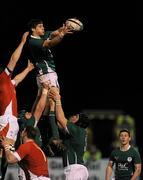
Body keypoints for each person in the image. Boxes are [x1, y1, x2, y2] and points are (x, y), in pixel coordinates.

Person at [0, 32, 34, 180]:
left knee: (5, 152)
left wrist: (27, 69)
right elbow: (14, 59)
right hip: (10, 122)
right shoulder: (2, 79)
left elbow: (17, 80)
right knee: (5, 152)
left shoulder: (8, 83)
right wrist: (22, 42)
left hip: (8, 121)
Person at [26, 18, 74, 114]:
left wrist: (66, 27)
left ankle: (31, 123)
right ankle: (46, 124)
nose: (43, 28)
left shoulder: (42, 36)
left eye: (43, 26)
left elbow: (55, 33)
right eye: (40, 26)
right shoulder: (33, 41)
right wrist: (62, 34)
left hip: (44, 73)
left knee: (42, 100)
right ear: (33, 29)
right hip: (46, 72)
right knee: (53, 100)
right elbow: (49, 43)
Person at [49, 87, 89, 180]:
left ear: (79, 122)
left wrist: (57, 99)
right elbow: (57, 124)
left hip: (74, 168)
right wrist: (51, 108)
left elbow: (60, 118)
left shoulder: (77, 130)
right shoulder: (78, 132)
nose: (73, 116)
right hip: (79, 168)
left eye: (76, 116)